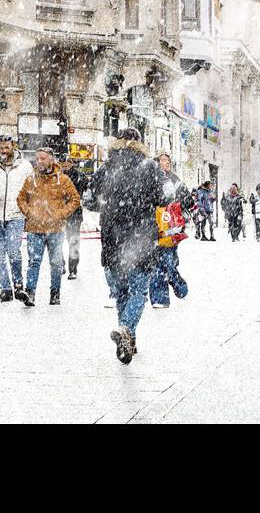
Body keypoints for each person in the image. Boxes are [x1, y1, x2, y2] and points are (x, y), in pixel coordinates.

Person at [96, 129, 168, 363]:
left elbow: (89, 198)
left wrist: (110, 205)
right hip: (140, 238)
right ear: (140, 143)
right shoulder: (149, 167)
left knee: (122, 293)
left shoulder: (107, 167)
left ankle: (129, 343)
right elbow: (164, 198)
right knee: (138, 291)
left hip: (112, 240)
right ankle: (126, 329)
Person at [17, 148, 81, 307]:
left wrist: (61, 213)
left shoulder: (63, 180)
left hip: (56, 229)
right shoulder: (30, 179)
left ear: (51, 160)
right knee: (34, 262)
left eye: (43, 158)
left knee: (56, 263)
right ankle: (30, 293)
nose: (39, 161)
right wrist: (29, 212)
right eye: (37, 158)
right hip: (34, 228)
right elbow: (21, 199)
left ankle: (55, 293)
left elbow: (75, 199)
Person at [0, 135, 33, 303]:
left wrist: (27, 207)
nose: (3, 151)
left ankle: (18, 286)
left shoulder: (25, 166)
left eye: (6, 147)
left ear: (13, 147)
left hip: (15, 216)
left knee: (14, 252)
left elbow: (31, 188)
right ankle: (5, 289)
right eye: (0, 148)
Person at [59, 157, 91, 280]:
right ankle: (63, 265)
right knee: (59, 242)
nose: (65, 166)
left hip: (72, 213)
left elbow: (86, 191)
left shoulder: (78, 176)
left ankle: (72, 268)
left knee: (72, 242)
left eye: (67, 164)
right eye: (64, 164)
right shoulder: (57, 175)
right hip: (62, 213)